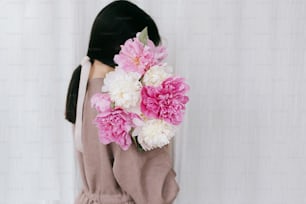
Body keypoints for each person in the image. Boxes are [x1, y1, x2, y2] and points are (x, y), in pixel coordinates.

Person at [64, 1, 180, 203]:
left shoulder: (82, 85)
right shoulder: (121, 97)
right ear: (128, 47)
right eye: (146, 50)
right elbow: (149, 186)